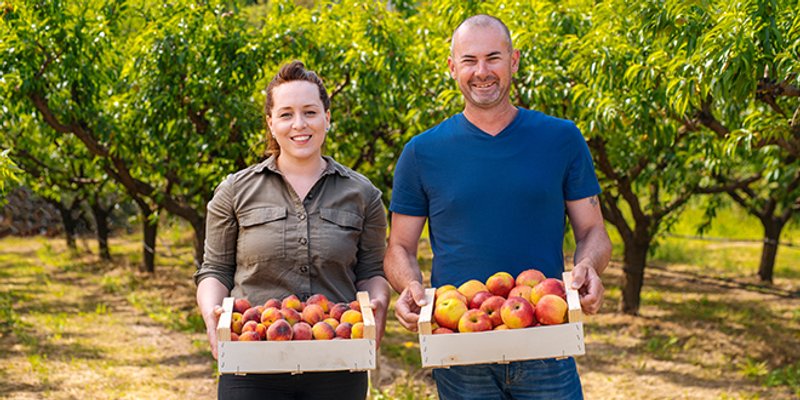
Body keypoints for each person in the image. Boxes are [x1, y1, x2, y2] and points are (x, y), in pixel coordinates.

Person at [384, 14, 612, 400]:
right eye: (469, 60)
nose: (482, 71)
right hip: (458, 345)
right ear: (452, 67)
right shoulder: (422, 153)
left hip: (544, 335)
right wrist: (409, 287)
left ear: (515, 61)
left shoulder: (561, 138)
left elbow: (593, 232)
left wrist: (588, 266)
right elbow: (399, 248)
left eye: (494, 58)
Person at [195, 60, 390, 400]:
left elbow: (371, 271)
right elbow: (215, 269)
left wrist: (378, 303)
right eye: (286, 114)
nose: (299, 124)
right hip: (252, 358)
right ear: (271, 123)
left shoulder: (362, 194)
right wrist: (213, 316)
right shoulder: (235, 191)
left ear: (327, 118)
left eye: (310, 112)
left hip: (337, 357)